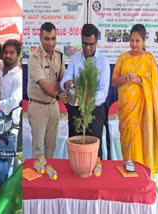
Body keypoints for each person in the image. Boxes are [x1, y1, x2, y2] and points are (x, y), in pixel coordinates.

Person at [111, 24, 158, 175]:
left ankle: (141, 177)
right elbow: (114, 81)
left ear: (144, 40)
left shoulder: (149, 60)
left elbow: (153, 86)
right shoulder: (123, 58)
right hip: (126, 111)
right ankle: (129, 176)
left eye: (137, 41)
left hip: (142, 113)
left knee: (140, 143)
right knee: (127, 145)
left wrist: (140, 80)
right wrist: (125, 78)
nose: (134, 44)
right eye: (131, 40)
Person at [60, 23, 110, 158]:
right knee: (76, 145)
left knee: (93, 148)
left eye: (91, 44)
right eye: (84, 43)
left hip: (95, 111)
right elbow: (66, 78)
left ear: (97, 41)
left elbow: (104, 92)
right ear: (81, 40)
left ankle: (95, 175)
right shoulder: (76, 58)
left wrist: (89, 98)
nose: (88, 48)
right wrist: (66, 84)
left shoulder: (103, 61)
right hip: (76, 109)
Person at [27, 22, 66, 158]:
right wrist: (58, 94)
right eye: (47, 39)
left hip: (54, 106)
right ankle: (37, 177)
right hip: (38, 106)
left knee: (51, 147)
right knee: (38, 149)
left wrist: (68, 86)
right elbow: (43, 84)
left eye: (53, 38)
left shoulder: (59, 54)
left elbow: (62, 78)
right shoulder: (34, 57)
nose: (51, 43)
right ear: (40, 37)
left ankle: (48, 177)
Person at [0, 39, 23, 135]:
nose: (8, 55)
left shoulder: (18, 76)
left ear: (18, 55)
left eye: (11, 53)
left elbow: (14, 102)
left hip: (8, 127)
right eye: (6, 52)